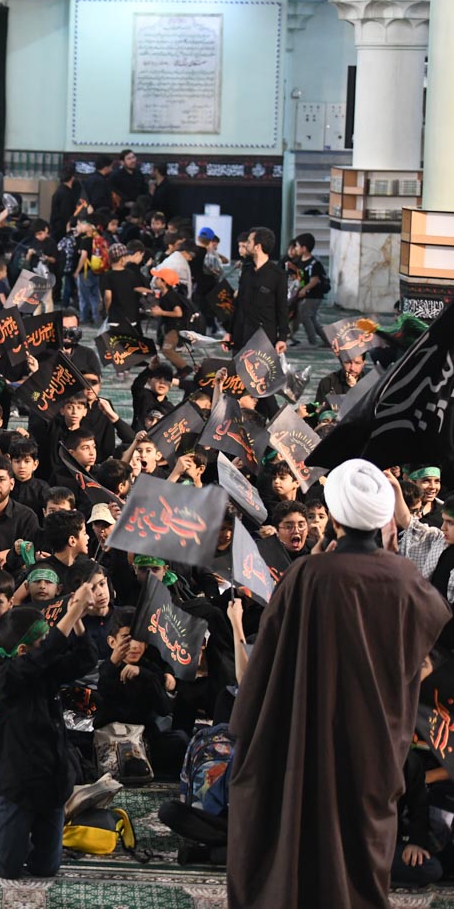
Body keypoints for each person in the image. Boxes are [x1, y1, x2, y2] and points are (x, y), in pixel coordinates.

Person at [228, 459, 449, 908]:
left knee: (301, 829)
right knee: (360, 844)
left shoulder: (308, 575)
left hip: (307, 733)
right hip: (374, 739)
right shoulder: (404, 578)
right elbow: (430, 645)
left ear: (335, 515)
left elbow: (267, 662)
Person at [0, 582, 96, 879]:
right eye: (42, 641)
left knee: (46, 868)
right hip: (22, 784)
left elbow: (86, 659)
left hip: (53, 779)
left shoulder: (46, 671)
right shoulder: (7, 678)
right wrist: (72, 612)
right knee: (8, 868)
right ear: (23, 650)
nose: (48, 645)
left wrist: (77, 618)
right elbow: (49, 650)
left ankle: (20, 841)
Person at [224, 227, 290, 355]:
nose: (246, 245)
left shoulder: (278, 275)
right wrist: (229, 331)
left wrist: (282, 338)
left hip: (263, 336)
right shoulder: (246, 270)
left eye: (249, 242)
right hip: (240, 334)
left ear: (257, 247)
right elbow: (238, 304)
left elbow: (282, 308)